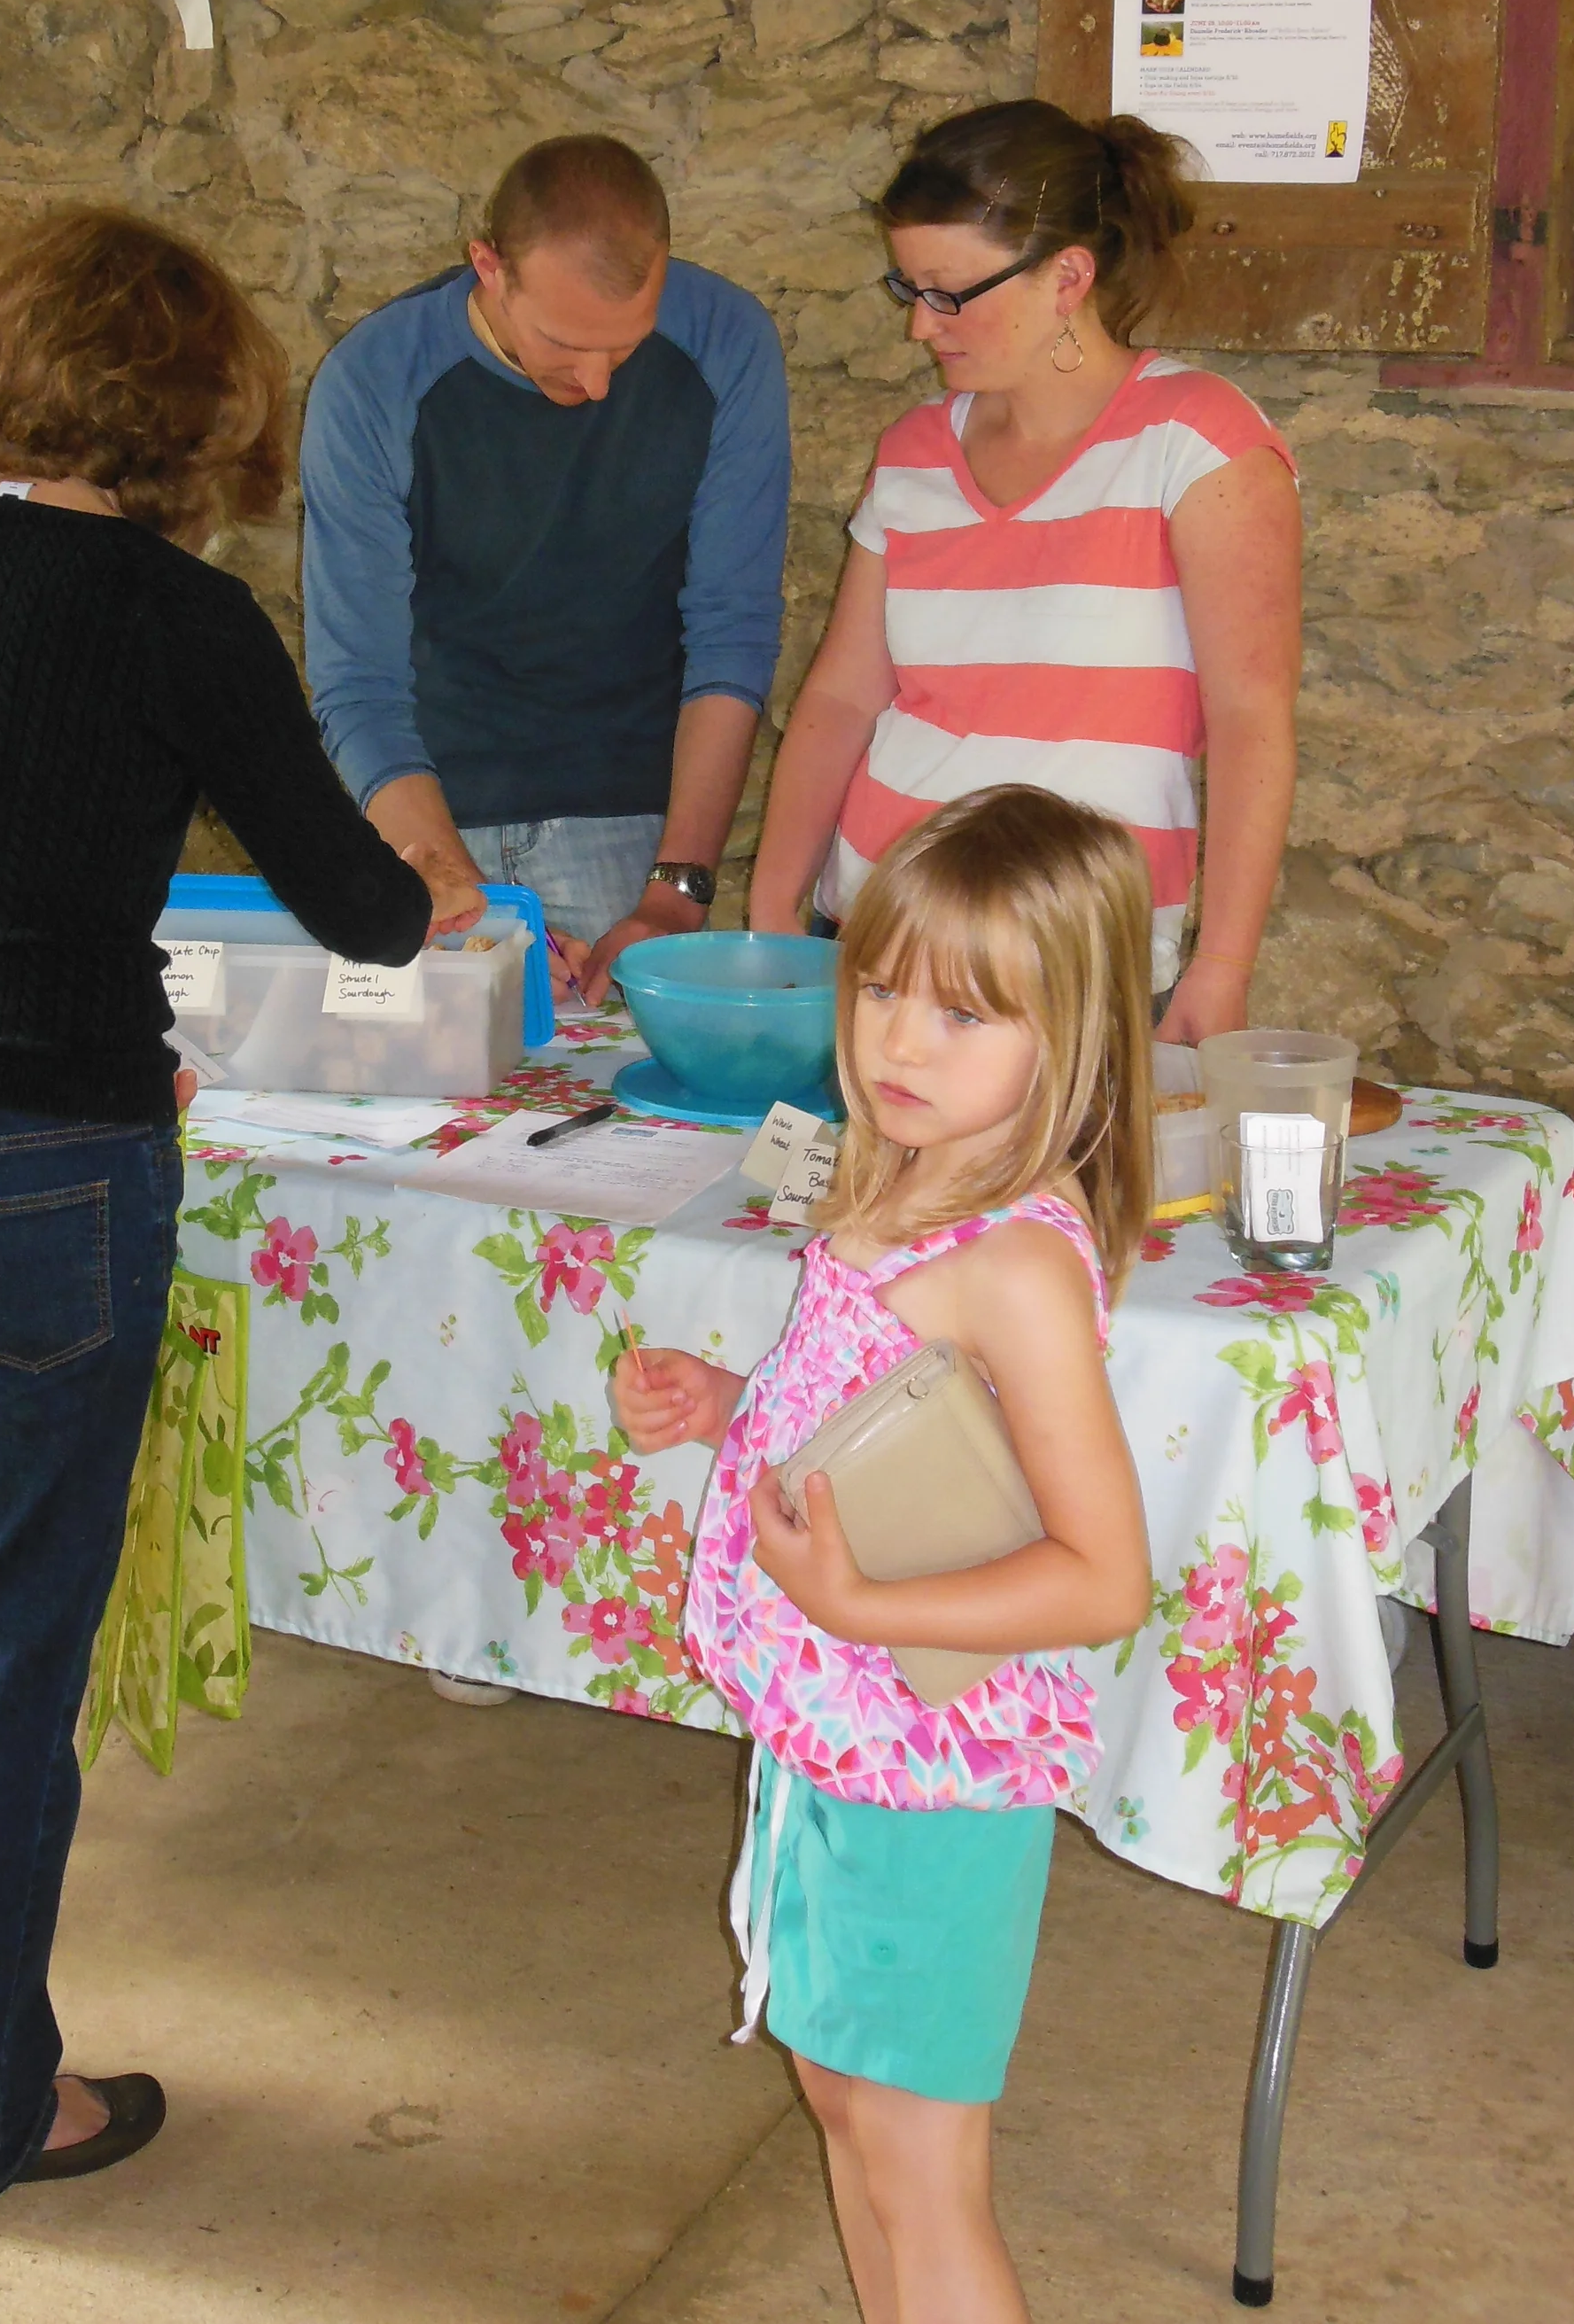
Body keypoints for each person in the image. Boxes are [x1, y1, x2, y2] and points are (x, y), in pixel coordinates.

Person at [0, 210, 438, 2213]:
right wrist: (426, 871)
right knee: (10, 1658)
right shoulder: (179, 612)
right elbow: (364, 910)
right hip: (41, 1164)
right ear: (198, 408)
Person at [617, 786, 1154, 2324]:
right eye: (880, 989)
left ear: (1071, 1035)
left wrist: (853, 1600)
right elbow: (886, 1424)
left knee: (922, 2165)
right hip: (833, 1748)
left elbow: (1103, 1578)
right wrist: (734, 1405)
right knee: (844, 2103)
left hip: (937, 1780)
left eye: (965, 1013)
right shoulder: (900, 1175)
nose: (901, 1042)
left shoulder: (1016, 1265)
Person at [747, 101, 1301, 1043]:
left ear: (1067, 277)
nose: (920, 326)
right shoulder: (914, 450)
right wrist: (771, 908)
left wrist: (1223, 965)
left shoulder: (1199, 442)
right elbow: (841, 698)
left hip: (1074, 957)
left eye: (948, 293)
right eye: (908, 287)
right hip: (878, 935)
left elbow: (1252, 718)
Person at [301, 133, 790, 1003]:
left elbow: (732, 634)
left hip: (628, 823)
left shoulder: (724, 339)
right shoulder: (372, 381)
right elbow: (358, 684)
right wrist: (455, 892)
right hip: (420, 810)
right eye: (564, 343)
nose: (597, 383)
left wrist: (676, 891)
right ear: (488, 268)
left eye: (626, 345)